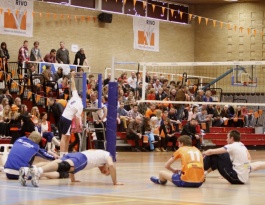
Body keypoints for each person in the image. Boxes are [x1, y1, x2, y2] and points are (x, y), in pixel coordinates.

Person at [19, 149, 123, 187]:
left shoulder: (99, 155)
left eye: (104, 173)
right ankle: (39, 171)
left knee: (58, 163)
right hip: (83, 158)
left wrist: (73, 179)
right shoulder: (108, 155)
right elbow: (112, 165)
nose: (104, 172)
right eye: (107, 172)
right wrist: (115, 182)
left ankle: (27, 170)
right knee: (65, 166)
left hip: (77, 154)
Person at [59, 71, 83, 157]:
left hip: (63, 117)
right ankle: (62, 155)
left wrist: (72, 76)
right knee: (64, 136)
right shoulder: (80, 105)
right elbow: (77, 118)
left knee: (67, 136)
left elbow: (73, 86)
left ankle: (65, 153)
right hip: (67, 119)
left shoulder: (75, 96)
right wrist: (76, 128)